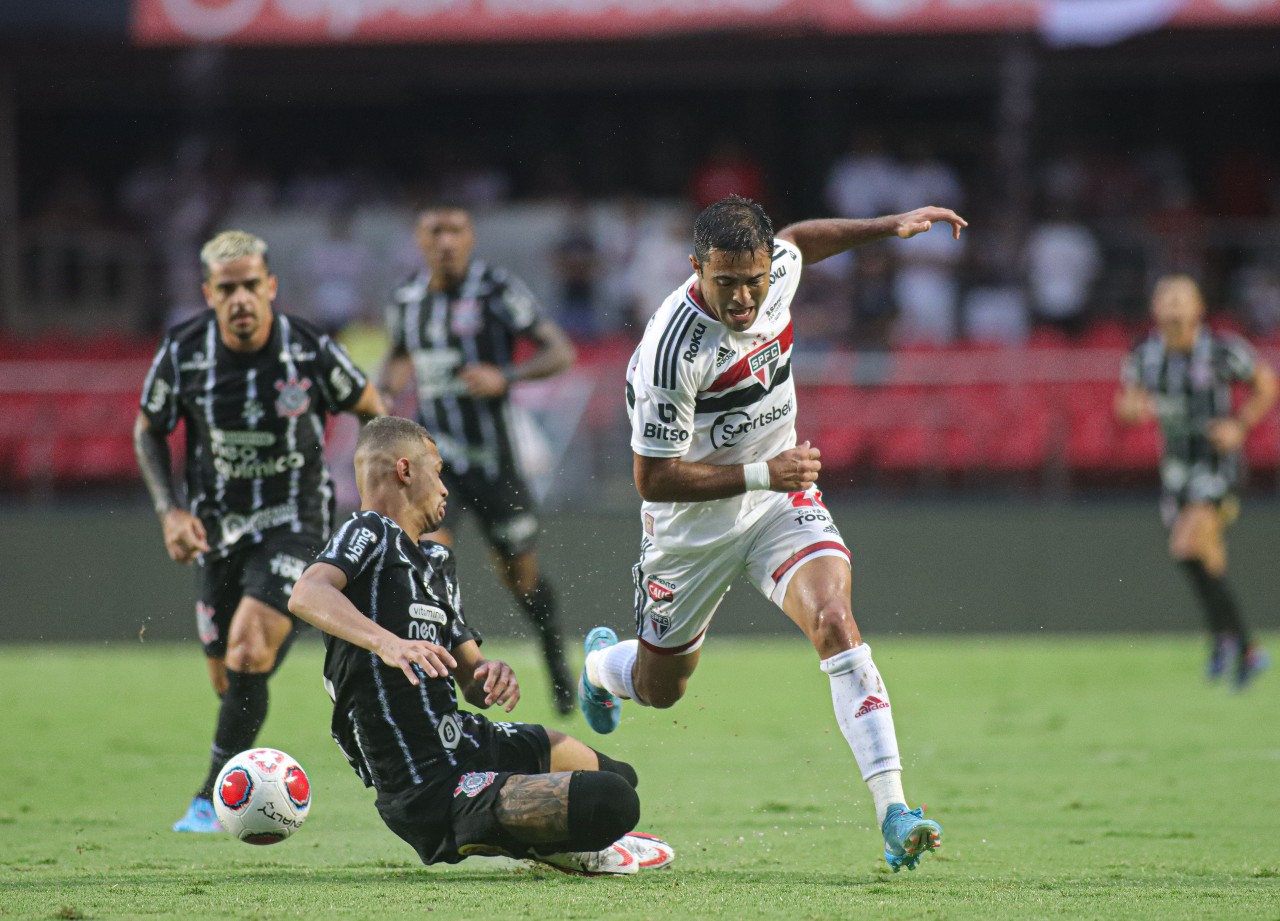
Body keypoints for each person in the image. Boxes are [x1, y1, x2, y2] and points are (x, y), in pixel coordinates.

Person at [578, 195, 966, 872]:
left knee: (836, 621)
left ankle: (895, 810)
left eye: (754, 280)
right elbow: (654, 479)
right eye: (725, 281)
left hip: (780, 501)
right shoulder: (675, 350)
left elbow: (799, 240)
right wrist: (765, 469)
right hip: (691, 529)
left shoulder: (773, 266)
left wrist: (886, 228)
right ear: (695, 267)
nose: (743, 296)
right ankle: (600, 668)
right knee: (662, 687)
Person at [288, 416, 674, 874]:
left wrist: (489, 674)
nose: (446, 487)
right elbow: (306, 593)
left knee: (617, 779)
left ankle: (550, 837)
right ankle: (544, 841)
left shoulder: (436, 560)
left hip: (466, 739)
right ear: (405, 470)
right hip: (426, 782)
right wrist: (386, 643)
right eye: (438, 470)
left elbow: (470, 679)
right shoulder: (370, 531)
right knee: (609, 804)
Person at [134, 229, 388, 833]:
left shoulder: (308, 350)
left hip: (294, 523)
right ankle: (285, 629)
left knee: (249, 650)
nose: (242, 298)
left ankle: (208, 801)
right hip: (218, 534)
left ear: (270, 286)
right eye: (228, 288)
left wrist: (379, 500)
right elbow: (148, 428)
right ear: (209, 294)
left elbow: (374, 411)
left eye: (252, 285)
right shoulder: (183, 352)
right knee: (231, 677)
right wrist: (171, 511)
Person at [381, 205, 578, 714]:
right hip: (433, 466)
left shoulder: (496, 290)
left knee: (521, 578)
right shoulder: (405, 298)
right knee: (427, 563)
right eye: (434, 232)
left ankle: (557, 664)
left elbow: (559, 351)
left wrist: (505, 377)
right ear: (420, 241)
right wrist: (382, 392)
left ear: (469, 239)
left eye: (455, 231)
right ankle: (448, 684)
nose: (445, 241)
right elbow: (400, 356)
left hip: (495, 465)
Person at [1114, 274, 1277, 687]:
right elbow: (1127, 405)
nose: (1173, 306)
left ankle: (1238, 644)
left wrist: (1239, 425)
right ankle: (1237, 644)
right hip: (1175, 469)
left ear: (1198, 308)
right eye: (1165, 298)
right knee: (1205, 559)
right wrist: (1135, 409)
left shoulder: (1222, 350)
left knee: (1185, 545)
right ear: (1154, 310)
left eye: (1181, 299)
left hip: (1215, 464)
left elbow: (1265, 384)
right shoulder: (1144, 354)